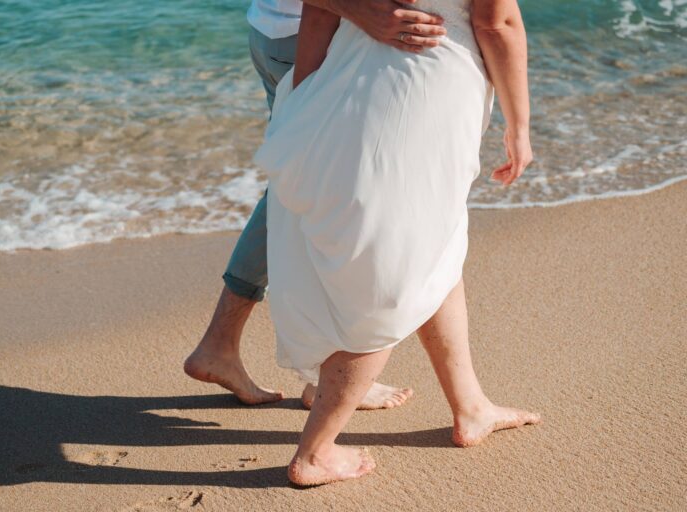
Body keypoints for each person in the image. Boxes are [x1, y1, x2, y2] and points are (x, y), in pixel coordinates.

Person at [252, 0, 542, 486]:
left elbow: (318, 8)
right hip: (424, 94)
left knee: (428, 247)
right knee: (392, 276)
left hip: (342, 78)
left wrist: (302, 96)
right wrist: (521, 126)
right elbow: (497, 22)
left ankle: (470, 406)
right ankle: (316, 451)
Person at [185, 0, 450, 409]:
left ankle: (241, 351)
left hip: (282, 30)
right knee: (323, 194)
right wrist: (360, 11)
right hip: (311, 36)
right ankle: (301, 368)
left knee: (305, 184)